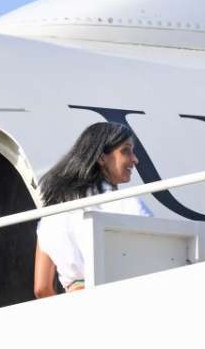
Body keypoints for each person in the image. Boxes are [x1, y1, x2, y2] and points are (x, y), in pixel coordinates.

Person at [33, 122, 152, 297]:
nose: (135, 159)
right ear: (101, 158)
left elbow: (41, 288)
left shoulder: (50, 217)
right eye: (126, 151)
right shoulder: (128, 205)